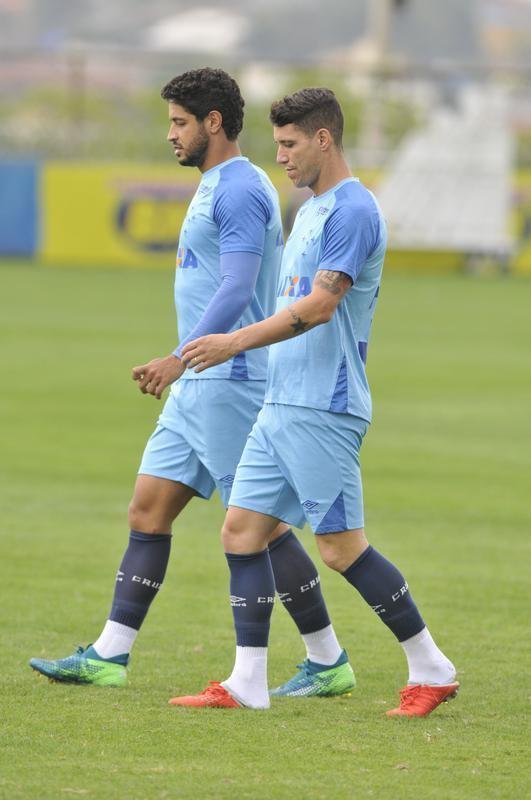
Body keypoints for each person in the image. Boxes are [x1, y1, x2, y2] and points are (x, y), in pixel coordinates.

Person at [29, 69, 356, 697]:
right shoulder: (219, 184)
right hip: (198, 385)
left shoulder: (238, 190)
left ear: (213, 123)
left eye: (180, 122)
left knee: (261, 526)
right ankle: (109, 654)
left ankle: (327, 658)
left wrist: (180, 357)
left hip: (227, 378)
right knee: (147, 511)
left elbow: (238, 287)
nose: (170, 134)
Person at [170, 87, 459, 717]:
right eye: (277, 145)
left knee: (339, 548)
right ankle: (248, 682)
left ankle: (431, 667)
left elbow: (321, 306)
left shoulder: (353, 212)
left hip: (322, 408)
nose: (282, 158)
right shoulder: (310, 210)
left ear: (323, 139)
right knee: (241, 532)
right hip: (281, 403)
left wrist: (235, 340)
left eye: (290, 145)